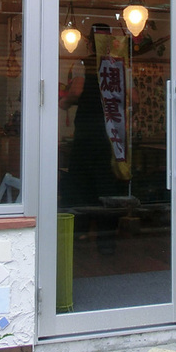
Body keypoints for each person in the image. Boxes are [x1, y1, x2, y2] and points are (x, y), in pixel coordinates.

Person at [59, 23, 123, 254]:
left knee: (80, 183)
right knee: (108, 186)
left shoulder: (83, 63)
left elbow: (76, 91)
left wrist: (64, 102)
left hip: (87, 133)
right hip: (112, 134)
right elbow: (133, 97)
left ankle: (80, 234)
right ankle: (107, 243)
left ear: (89, 42)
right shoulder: (119, 65)